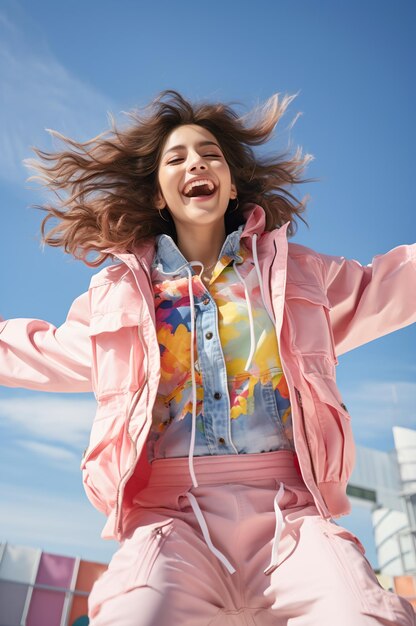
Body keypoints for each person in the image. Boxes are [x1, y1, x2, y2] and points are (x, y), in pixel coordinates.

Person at [1, 90, 415, 626]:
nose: (196, 162)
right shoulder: (120, 296)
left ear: (232, 185)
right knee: (133, 615)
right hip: (172, 522)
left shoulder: (298, 277)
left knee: (362, 614)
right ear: (157, 195)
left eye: (210, 154)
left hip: (293, 515)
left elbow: (392, 283)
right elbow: (39, 349)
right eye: (176, 159)